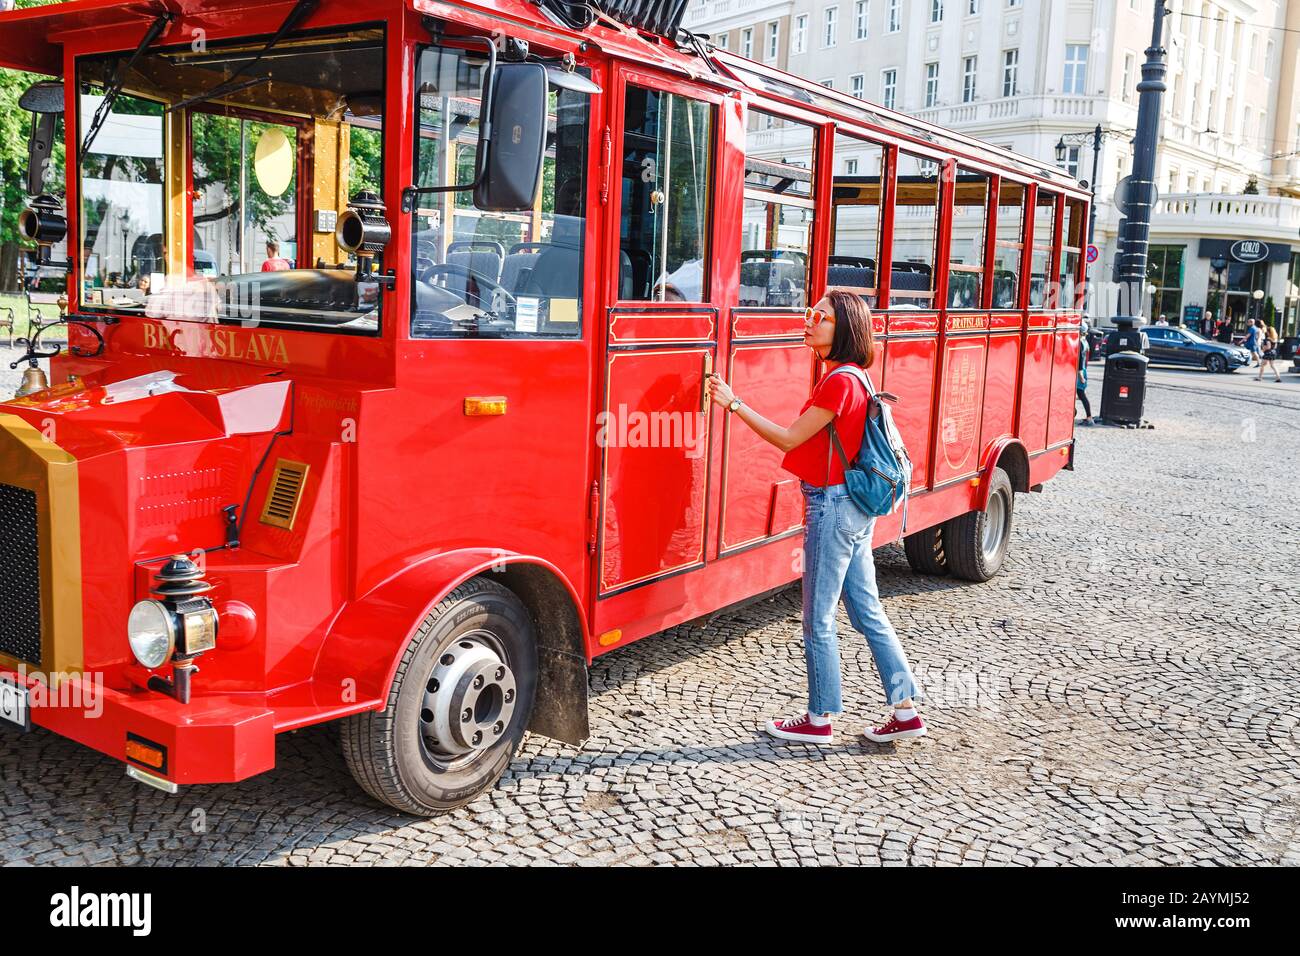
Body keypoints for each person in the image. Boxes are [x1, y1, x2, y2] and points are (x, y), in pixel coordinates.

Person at [704, 289, 925, 746]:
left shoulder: (839, 382)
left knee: (817, 618)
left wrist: (732, 402)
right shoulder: (855, 377)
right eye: (811, 314)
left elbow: (788, 439)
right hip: (854, 508)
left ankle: (819, 718)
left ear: (841, 329)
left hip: (833, 506)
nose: (809, 321)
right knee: (868, 613)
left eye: (819, 317)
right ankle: (905, 710)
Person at [1077, 322, 1093, 424]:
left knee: (1081, 395)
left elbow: (1080, 359)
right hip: (1083, 370)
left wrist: (1080, 375)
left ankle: (1089, 417)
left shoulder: (1080, 343)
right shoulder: (1085, 342)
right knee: (1081, 395)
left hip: (1080, 372)